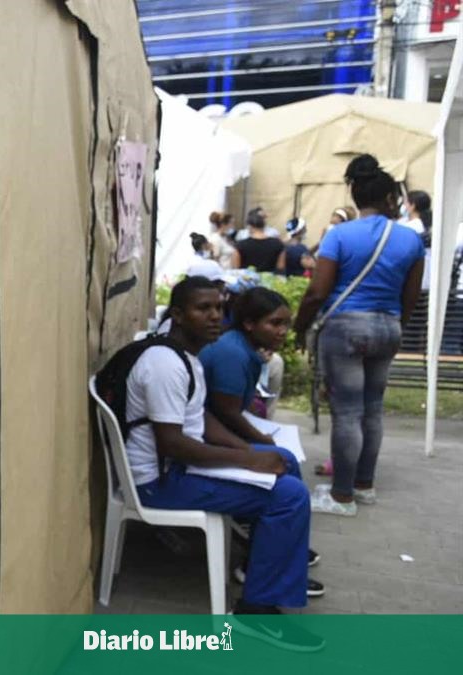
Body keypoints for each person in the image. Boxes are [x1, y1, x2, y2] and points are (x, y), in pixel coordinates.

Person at [126, 277, 321, 642]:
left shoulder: (186, 355)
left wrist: (247, 451)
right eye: (203, 308)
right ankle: (256, 611)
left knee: (283, 459)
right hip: (161, 482)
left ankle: (265, 565)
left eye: (218, 307)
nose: (216, 316)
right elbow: (172, 445)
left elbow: (199, 418)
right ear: (178, 315)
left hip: (180, 466)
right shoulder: (166, 364)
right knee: (289, 496)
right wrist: (249, 462)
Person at [294, 154, 425, 516]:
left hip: (346, 329)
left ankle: (341, 496)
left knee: (348, 413)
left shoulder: (339, 235)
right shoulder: (410, 240)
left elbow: (317, 292)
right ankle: (364, 486)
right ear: (389, 198)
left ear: (355, 196)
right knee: (373, 410)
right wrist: (395, 325)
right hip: (389, 326)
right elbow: (411, 295)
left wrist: (300, 328)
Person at [199, 287, 292, 445]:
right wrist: (263, 439)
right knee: (283, 456)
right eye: (275, 323)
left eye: (286, 324)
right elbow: (228, 413)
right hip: (203, 437)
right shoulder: (233, 353)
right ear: (249, 323)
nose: (283, 331)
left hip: (214, 431)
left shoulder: (243, 348)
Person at [232, 207, 286, 273]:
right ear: (263, 225)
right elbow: (281, 267)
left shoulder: (240, 245)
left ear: (250, 226)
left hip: (247, 278)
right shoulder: (278, 244)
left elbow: (235, 268)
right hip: (270, 278)